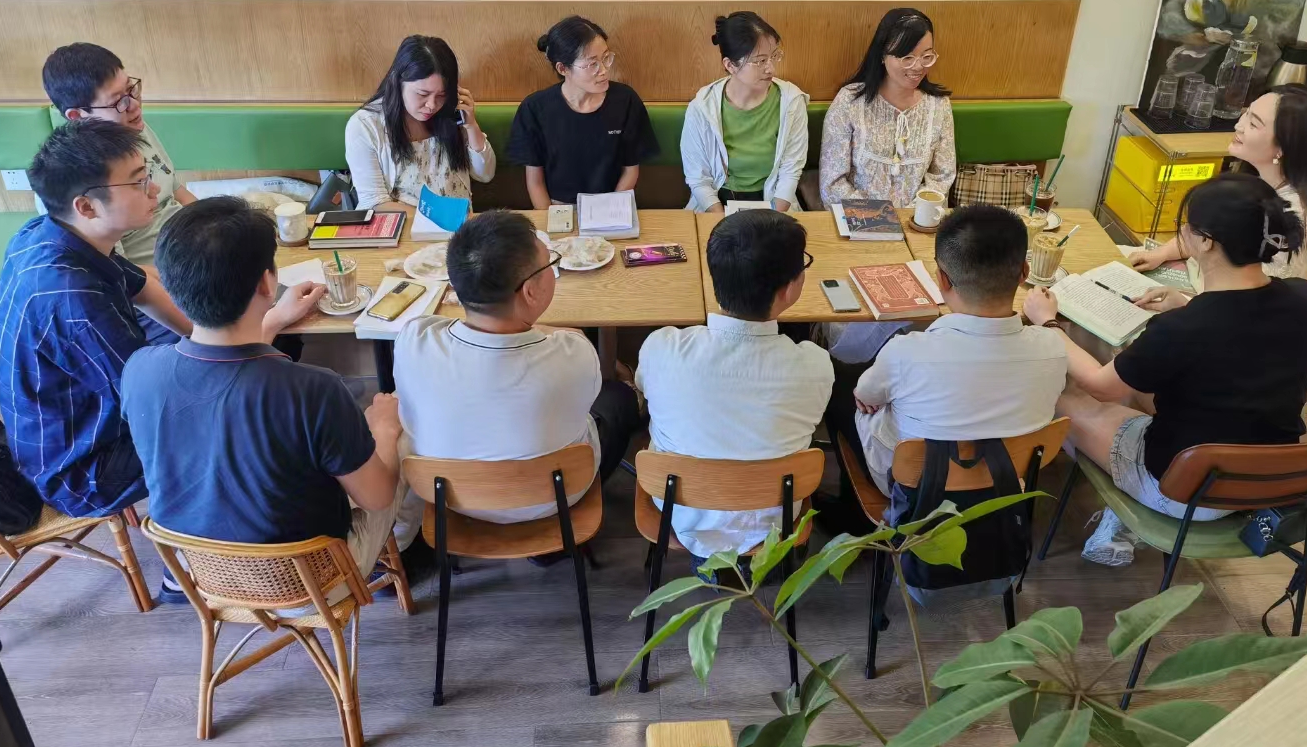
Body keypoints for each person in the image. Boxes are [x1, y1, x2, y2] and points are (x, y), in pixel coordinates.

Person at [1026, 173, 1307, 566]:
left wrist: (1047, 322)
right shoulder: (1306, 299)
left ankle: (1120, 512)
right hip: (1263, 480)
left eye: (1187, 226)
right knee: (1131, 369)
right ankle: (1118, 515)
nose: (1182, 232)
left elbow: (1100, 386)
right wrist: (1186, 302)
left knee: (1061, 391)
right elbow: (1244, 334)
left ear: (1207, 241)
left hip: (1185, 489)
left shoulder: (1186, 328)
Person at [123, 198, 402, 600]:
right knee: (399, 438)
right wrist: (385, 429)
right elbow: (377, 497)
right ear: (267, 284)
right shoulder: (316, 389)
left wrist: (271, 321)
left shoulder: (139, 369)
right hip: (311, 584)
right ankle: (407, 556)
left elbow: (223, 382)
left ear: (167, 283)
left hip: (205, 578)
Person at [0, 121, 196, 521]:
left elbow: (143, 288)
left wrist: (217, 329)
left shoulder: (48, 233)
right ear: (86, 206)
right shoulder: (71, 297)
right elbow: (153, 401)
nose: (154, 189)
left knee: (227, 387)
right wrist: (258, 332)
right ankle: (195, 554)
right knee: (230, 417)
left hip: (78, 427)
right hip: (80, 472)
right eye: (139, 182)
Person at [393, 210, 640, 525]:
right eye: (550, 263)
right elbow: (577, 363)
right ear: (530, 291)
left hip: (453, 500)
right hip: (555, 498)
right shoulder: (574, 354)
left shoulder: (413, 340)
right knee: (618, 397)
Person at [823, 205, 1066, 504]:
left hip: (912, 489)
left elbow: (865, 397)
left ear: (942, 280)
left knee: (838, 382)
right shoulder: (1054, 350)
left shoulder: (905, 352)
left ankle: (850, 512)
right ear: (1024, 274)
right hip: (1004, 486)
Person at [636, 210, 832, 559]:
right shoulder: (815, 365)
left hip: (680, 511)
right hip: (776, 518)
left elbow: (642, 388)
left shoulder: (662, 348)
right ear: (790, 289)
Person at [1131, 85, 1307, 301]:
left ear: (1283, 148)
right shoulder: (1258, 183)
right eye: (1246, 113)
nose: (1238, 125)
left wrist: (1184, 306)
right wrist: (1161, 254)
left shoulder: (1294, 220)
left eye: (1253, 124)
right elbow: (1208, 229)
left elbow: (1251, 305)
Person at [43, 41, 196, 344]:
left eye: (131, 89)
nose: (134, 104)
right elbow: (126, 279)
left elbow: (175, 188)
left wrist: (219, 228)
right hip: (158, 291)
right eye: (118, 101)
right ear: (77, 116)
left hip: (187, 258)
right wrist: (194, 271)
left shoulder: (133, 127)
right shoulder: (81, 184)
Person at [507, 16, 659, 208]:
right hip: (558, 208)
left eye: (606, 58)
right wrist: (550, 218)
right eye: (592, 64)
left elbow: (630, 170)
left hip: (612, 204)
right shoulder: (535, 108)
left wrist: (609, 210)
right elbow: (535, 181)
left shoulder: (625, 101)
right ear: (563, 68)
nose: (603, 70)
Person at [818, 8, 956, 209]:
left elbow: (941, 177)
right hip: (857, 219)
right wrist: (879, 220)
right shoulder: (850, 101)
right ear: (883, 55)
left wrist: (912, 216)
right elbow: (832, 184)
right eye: (907, 57)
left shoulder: (939, 105)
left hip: (916, 221)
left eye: (926, 56)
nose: (918, 67)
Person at [345, 34, 496, 209]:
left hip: (461, 223)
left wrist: (471, 126)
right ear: (397, 81)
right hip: (404, 224)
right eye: (422, 94)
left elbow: (485, 175)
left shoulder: (451, 113)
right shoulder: (366, 125)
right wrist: (437, 219)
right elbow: (375, 203)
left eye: (441, 95)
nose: (432, 105)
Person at [681, 12, 810, 213]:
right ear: (730, 65)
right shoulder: (702, 107)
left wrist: (772, 221)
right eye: (760, 61)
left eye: (774, 56)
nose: (771, 69)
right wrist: (722, 222)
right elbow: (699, 179)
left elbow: (790, 170)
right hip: (716, 204)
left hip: (773, 202)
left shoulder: (791, 102)